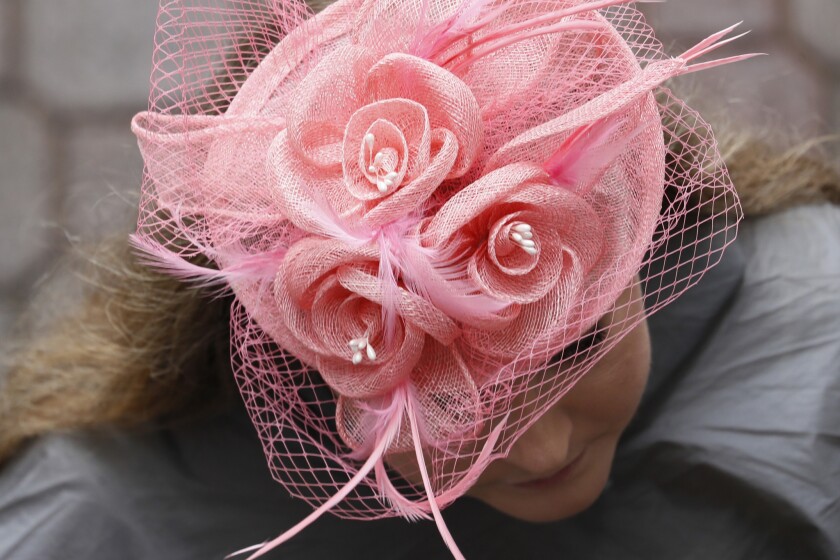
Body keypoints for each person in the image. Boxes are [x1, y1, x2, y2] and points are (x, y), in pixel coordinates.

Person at [1, 0, 839, 558]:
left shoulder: (822, 337)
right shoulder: (98, 519)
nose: (539, 447)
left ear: (643, 230)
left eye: (576, 344)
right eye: (433, 393)